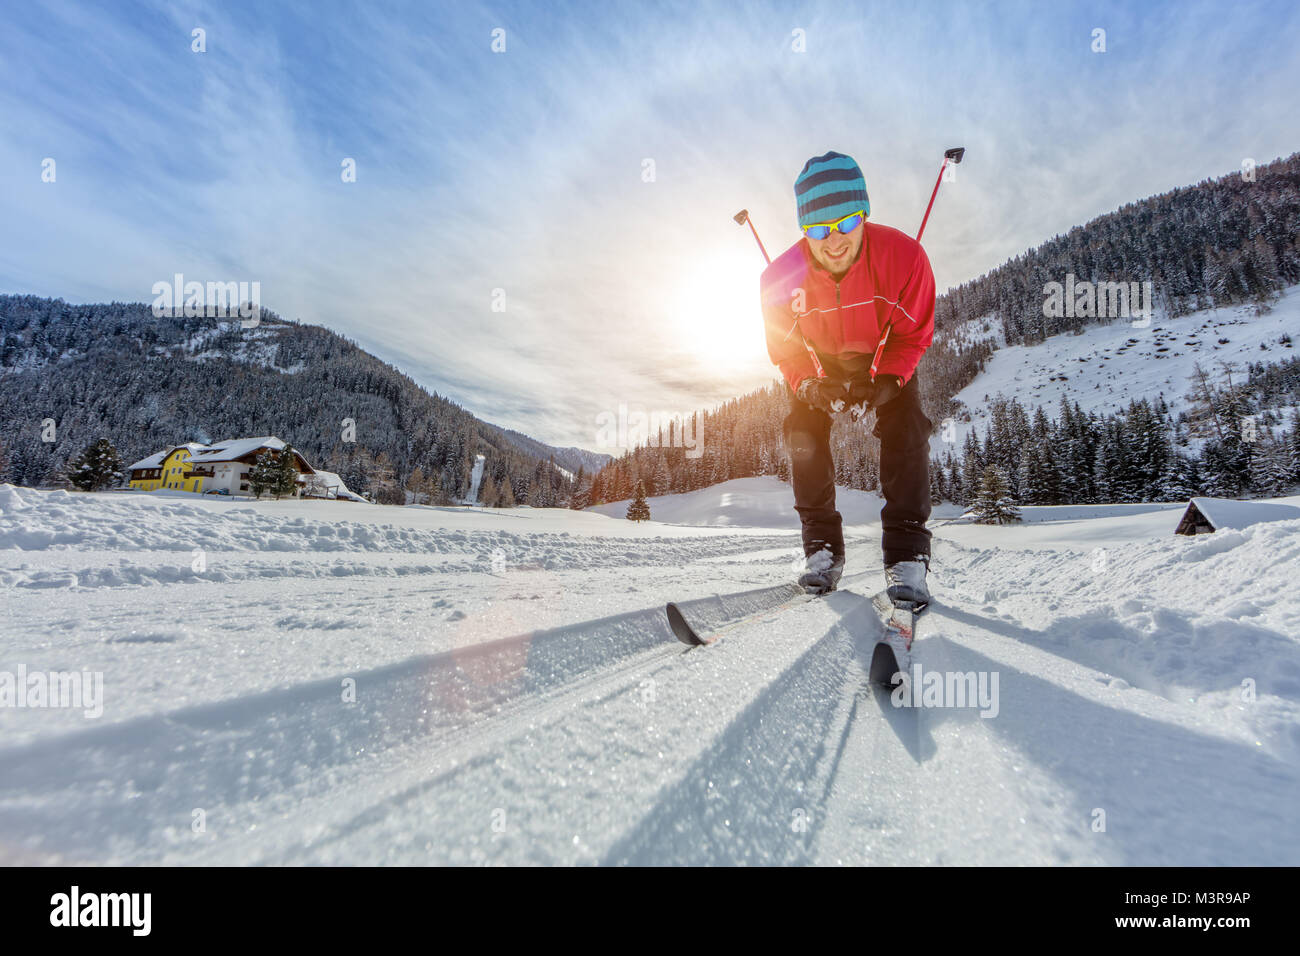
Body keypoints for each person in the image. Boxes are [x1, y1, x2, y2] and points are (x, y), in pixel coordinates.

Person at [760, 151, 936, 605]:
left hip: (882, 355)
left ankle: (907, 555)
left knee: (907, 426)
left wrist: (890, 380)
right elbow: (786, 349)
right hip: (820, 364)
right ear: (804, 230)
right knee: (801, 430)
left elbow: (913, 335)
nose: (832, 240)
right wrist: (807, 385)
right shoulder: (780, 279)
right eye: (817, 229)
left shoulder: (905, 259)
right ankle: (821, 550)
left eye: (846, 222)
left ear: (865, 214)